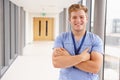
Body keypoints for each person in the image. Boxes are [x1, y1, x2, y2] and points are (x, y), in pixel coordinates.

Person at [52, 4, 103, 80]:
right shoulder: (61, 38)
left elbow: (95, 68)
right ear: (69, 20)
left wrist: (68, 58)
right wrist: (81, 57)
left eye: (81, 17)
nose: (78, 20)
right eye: (74, 17)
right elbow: (56, 62)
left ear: (86, 19)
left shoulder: (95, 40)